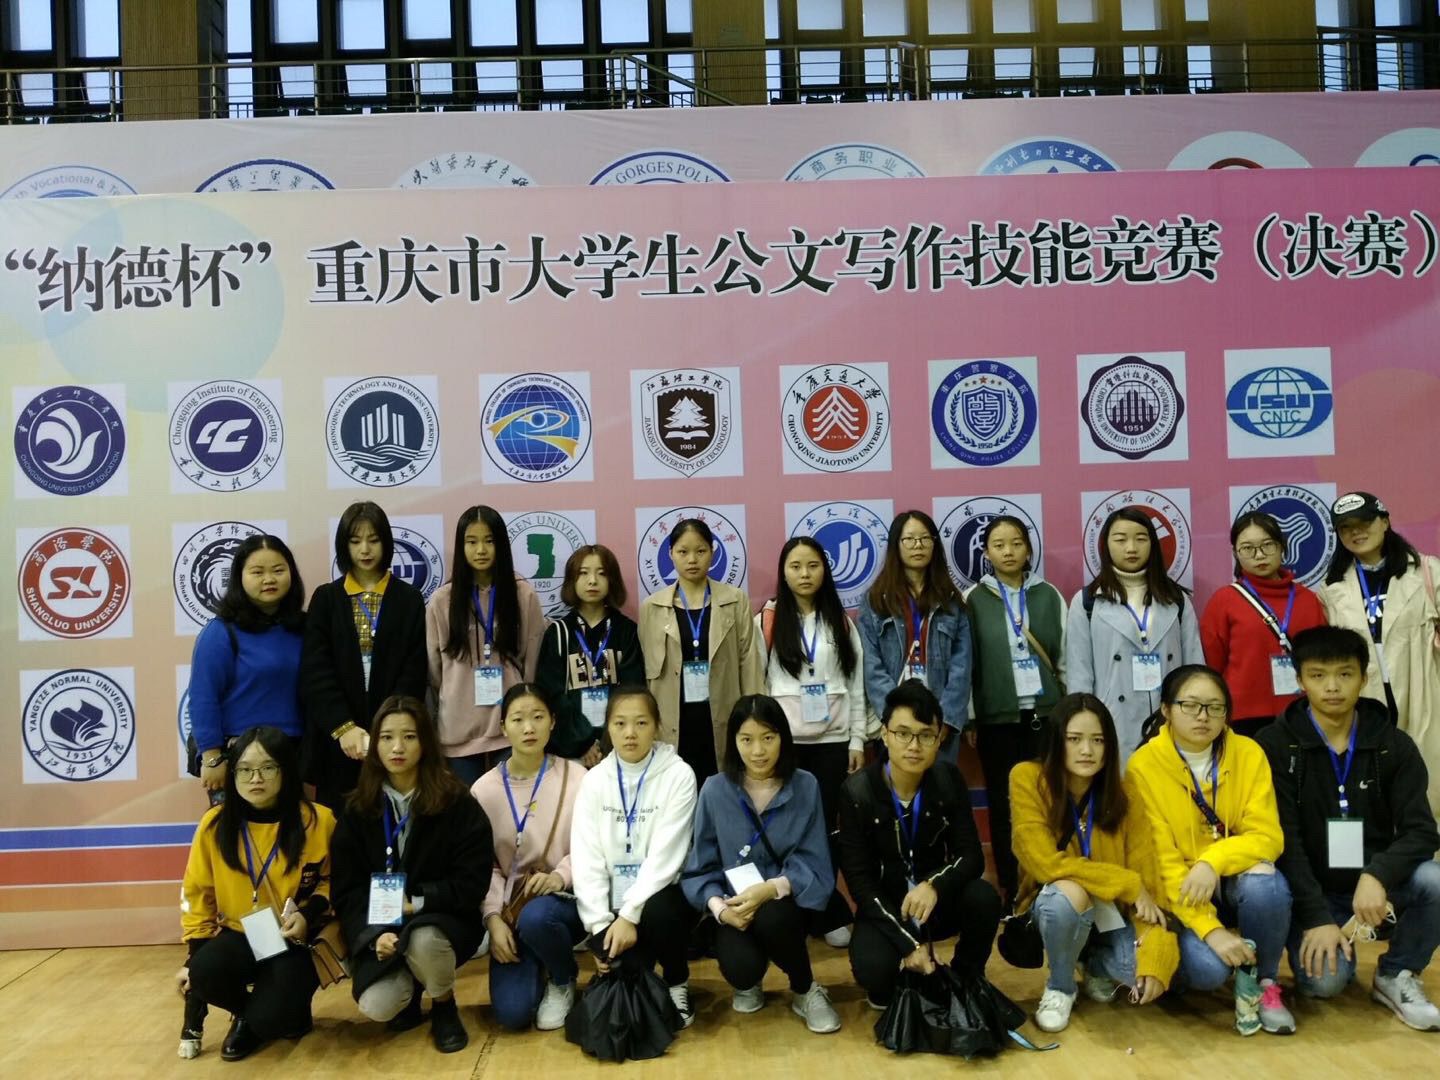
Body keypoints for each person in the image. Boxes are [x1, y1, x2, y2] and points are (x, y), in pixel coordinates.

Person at [1256, 626, 1440, 1031]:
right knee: (1326, 984)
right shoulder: (1274, 745)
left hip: (1372, 891)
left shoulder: (1394, 745)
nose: (1332, 687)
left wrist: (1378, 874)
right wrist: (1316, 916)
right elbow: (1285, 842)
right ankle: (1312, 945)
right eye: (1318, 675)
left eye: (1345, 674)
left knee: (1435, 878)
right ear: (1299, 680)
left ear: (1364, 677)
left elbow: (1422, 831)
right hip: (1311, 893)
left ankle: (1397, 972)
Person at [1126, 665, 1295, 1036]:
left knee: (1267, 884)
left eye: (1215, 707)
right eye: (1190, 705)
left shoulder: (1248, 753)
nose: (1203, 716)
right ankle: (1152, 966)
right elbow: (1163, 865)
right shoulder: (1143, 767)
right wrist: (1210, 930)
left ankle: (1263, 983)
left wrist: (1212, 861)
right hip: (1180, 890)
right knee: (1208, 970)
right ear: (1166, 710)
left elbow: (1268, 837)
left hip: (1228, 876)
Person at [330, 695, 492, 1054]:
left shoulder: (456, 801)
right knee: (377, 1005)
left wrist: (417, 903)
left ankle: (444, 1004)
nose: (397, 748)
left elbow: (472, 881)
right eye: (386, 737)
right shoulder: (358, 808)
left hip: (443, 918)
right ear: (374, 745)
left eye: (409, 736)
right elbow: (346, 889)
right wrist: (373, 937)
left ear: (426, 743)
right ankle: (413, 988)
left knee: (424, 940)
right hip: (381, 923)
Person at [1010, 693, 1178, 1033]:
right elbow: (1044, 863)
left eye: (1098, 740)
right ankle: (1060, 986)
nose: (1087, 750)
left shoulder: (1126, 791)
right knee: (1067, 893)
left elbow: (1148, 881)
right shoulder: (1028, 778)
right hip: (1054, 906)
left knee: (1142, 969)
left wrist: (1156, 950)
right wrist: (1126, 883)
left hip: (1111, 914)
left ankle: (1094, 963)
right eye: (1074, 739)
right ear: (1057, 742)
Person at [682, 695, 842, 1034]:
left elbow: (814, 857)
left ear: (783, 737)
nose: (758, 750)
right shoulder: (714, 790)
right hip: (734, 906)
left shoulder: (805, 785)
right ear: (733, 741)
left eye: (768, 737)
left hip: (787, 903)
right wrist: (721, 910)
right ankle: (749, 981)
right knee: (740, 968)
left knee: (774, 916)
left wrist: (771, 889)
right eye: (747, 739)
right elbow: (700, 867)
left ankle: (805, 988)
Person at [837, 680, 1001, 1008]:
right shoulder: (857, 792)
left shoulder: (947, 779)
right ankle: (905, 971)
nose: (914, 745)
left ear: (939, 739)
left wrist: (934, 885)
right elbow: (860, 884)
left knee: (983, 897)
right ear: (884, 734)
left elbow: (971, 856)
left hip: (933, 901)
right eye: (903, 733)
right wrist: (908, 944)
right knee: (874, 974)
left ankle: (966, 977)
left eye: (926, 735)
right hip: (886, 906)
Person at [175, 726, 335, 1061]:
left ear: (286, 770)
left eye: (267, 768)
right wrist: (194, 958)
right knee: (204, 972)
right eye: (245, 769)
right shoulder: (215, 825)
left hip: (292, 938)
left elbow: (333, 881)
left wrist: (307, 915)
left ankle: (271, 1013)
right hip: (240, 933)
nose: (255, 778)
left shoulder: (318, 821)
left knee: (276, 1018)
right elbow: (197, 893)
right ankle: (249, 1015)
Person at [754, 536, 865, 945]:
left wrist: (857, 740)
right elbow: (759, 687)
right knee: (786, 827)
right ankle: (789, 910)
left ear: (825, 571)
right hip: (785, 746)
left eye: (813, 566)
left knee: (828, 828)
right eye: (796, 566)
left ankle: (824, 911)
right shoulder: (767, 620)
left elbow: (856, 684)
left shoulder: (841, 621)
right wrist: (763, 745)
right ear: (783, 572)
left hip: (833, 742)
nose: (804, 574)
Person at [570, 686, 700, 1026]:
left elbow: (667, 856)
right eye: (620, 723)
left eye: (641, 723)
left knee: (662, 909)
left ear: (656, 726)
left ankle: (677, 981)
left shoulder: (678, 775)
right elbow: (586, 858)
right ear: (608, 728)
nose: (630, 733)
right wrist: (600, 928)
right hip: (611, 903)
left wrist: (629, 915)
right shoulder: (594, 781)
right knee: (623, 986)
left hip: (660, 896)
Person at [963, 514, 1067, 907]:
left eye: (1016, 543)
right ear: (987, 553)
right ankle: (1012, 886)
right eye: (999, 545)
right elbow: (967, 664)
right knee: (1004, 804)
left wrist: (1070, 713)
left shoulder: (1049, 595)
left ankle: (1052, 882)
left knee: (1051, 801)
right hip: (997, 720)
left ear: (1028, 549)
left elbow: (1065, 657)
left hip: (1047, 715)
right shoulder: (973, 600)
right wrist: (972, 716)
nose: (1008, 551)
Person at [471, 685, 588, 1032]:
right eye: (518, 719)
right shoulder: (483, 790)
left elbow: (591, 845)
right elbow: (484, 865)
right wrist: (493, 919)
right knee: (513, 1014)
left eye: (538, 717)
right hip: (511, 911)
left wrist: (561, 876)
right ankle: (539, 960)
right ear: (503, 726)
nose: (528, 728)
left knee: (538, 917)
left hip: (564, 903)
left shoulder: (577, 777)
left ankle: (563, 978)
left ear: (552, 721)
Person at [1319, 492, 1440, 820]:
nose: (1356, 532)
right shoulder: (1331, 588)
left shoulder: (1427, 572)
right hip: (1366, 698)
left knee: (1430, 786)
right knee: (1375, 787)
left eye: (1364, 522)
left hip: (1423, 692)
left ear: (1385, 522)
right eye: (1346, 527)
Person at [301, 501, 428, 808]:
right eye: (355, 541)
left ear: (386, 543)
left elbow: (414, 669)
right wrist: (343, 728)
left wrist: (388, 730)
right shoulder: (327, 599)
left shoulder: (408, 599)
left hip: (394, 741)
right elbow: (316, 670)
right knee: (341, 822)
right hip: (338, 743)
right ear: (344, 546)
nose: (365, 550)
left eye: (373, 540)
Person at [1067, 507, 1203, 765]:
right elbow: (1079, 674)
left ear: (1153, 544)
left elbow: (1195, 667)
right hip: (1113, 719)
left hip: (1172, 717)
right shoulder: (1088, 602)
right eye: (1120, 539)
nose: (1131, 548)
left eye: (1141, 539)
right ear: (1106, 545)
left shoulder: (1176, 598)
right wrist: (1084, 727)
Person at [427, 505, 546, 786]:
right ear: (461, 546)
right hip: (458, 732)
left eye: (489, 541)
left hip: (512, 729)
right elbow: (434, 671)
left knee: (512, 805)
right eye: (471, 542)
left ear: (501, 545)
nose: (481, 550)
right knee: (467, 809)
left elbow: (532, 659)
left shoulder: (523, 595)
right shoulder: (442, 601)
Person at [638, 518, 763, 782]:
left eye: (701, 551)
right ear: (671, 553)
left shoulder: (735, 600)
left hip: (723, 718)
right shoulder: (652, 607)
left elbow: (749, 664)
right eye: (683, 551)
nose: (692, 559)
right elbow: (644, 675)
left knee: (723, 790)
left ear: (712, 551)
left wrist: (755, 718)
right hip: (673, 723)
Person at [189, 534, 306, 806]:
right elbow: (203, 698)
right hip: (237, 754)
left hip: (292, 753)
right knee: (234, 832)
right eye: (257, 572)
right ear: (239, 577)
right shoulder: (220, 632)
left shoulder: (305, 627)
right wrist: (211, 757)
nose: (269, 579)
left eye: (278, 570)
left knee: (290, 830)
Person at [857, 511, 972, 764]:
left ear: (934, 544)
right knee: (895, 788)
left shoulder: (951, 600)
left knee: (941, 785)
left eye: (925, 538)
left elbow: (962, 666)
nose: (918, 545)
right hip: (894, 727)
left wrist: (944, 720)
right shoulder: (875, 600)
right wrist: (895, 716)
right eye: (909, 539)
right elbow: (871, 665)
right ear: (896, 545)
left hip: (939, 725)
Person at [1200, 511, 1326, 737]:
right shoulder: (1224, 601)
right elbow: (1213, 665)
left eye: (1267, 545)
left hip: (1304, 710)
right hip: (1243, 715)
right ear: (1235, 553)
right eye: (1247, 548)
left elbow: (1323, 660)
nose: (1259, 555)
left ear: (1282, 547)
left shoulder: (1308, 599)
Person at [535, 545, 644, 766]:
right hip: (569, 751)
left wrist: (606, 742)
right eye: (583, 573)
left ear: (612, 580)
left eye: (601, 573)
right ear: (572, 580)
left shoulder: (627, 631)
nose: (592, 581)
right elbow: (552, 696)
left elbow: (632, 692)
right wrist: (582, 743)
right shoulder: (558, 633)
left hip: (619, 746)